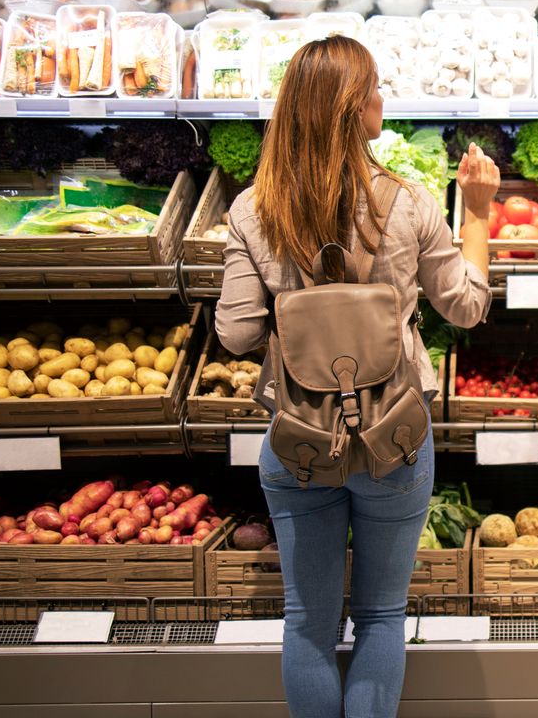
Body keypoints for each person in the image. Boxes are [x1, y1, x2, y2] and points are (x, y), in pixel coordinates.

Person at [214, 35, 499, 718]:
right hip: (393, 438)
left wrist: (300, 324)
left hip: (299, 440)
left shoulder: (254, 211)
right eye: (372, 88)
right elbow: (465, 307)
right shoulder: (409, 202)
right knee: (379, 615)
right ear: (351, 111)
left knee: (307, 622)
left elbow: (236, 334)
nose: (381, 98)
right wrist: (481, 211)